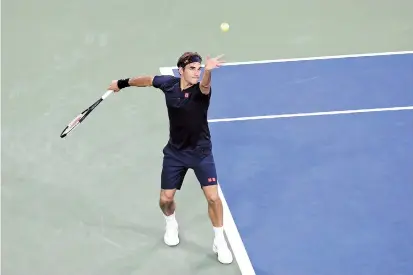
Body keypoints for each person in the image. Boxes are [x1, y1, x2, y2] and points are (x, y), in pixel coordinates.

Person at [107, 52, 233, 264]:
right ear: (181, 70)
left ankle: (219, 240)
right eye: (192, 68)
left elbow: (205, 85)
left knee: (213, 197)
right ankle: (171, 222)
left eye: (199, 68)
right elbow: (148, 80)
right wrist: (122, 83)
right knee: (165, 199)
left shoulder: (201, 91)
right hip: (175, 153)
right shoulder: (169, 84)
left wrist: (209, 71)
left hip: (201, 153)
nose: (197, 72)